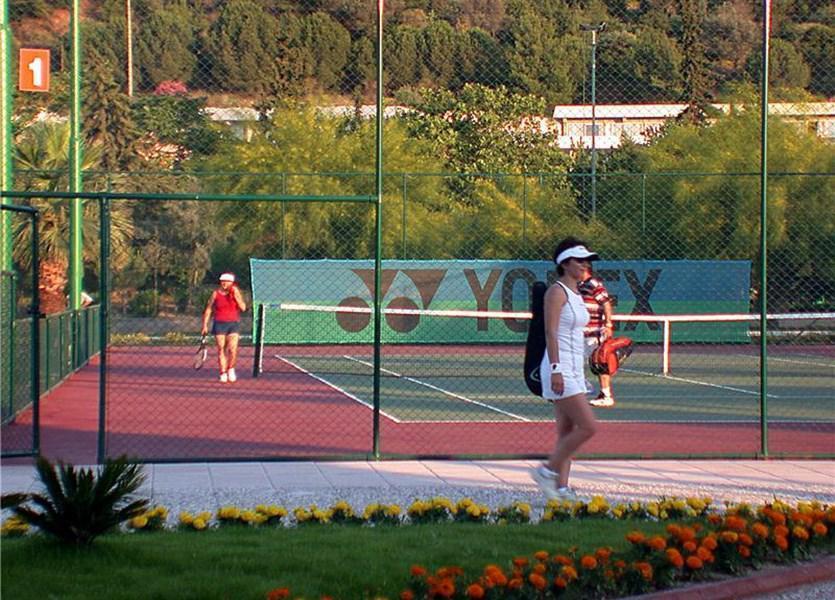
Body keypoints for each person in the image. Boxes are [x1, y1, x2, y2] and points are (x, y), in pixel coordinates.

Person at [531, 237, 600, 501]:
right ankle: (547, 472)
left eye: (587, 261)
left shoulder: (577, 294)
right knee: (588, 427)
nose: (585, 265)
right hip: (559, 370)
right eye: (580, 260)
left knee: (567, 433)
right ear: (565, 263)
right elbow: (550, 331)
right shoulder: (556, 292)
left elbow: (576, 335)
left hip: (575, 370)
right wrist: (558, 369)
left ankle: (560, 489)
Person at [580, 268, 617, 407]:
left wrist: (608, 325)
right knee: (574, 361)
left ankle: (606, 395)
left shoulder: (593, 284)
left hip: (594, 333)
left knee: (600, 362)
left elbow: (606, 304)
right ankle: (583, 387)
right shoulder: (579, 285)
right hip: (581, 333)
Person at [202, 272, 246, 383]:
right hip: (219, 323)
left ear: (232, 283)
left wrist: (236, 297)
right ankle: (223, 372)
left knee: (233, 349)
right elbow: (208, 309)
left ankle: (231, 369)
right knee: (222, 349)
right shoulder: (215, 294)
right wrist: (205, 325)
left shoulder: (236, 293)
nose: (224, 283)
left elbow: (243, 308)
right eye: (222, 281)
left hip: (233, 323)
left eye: (226, 281)